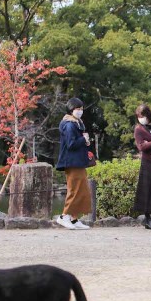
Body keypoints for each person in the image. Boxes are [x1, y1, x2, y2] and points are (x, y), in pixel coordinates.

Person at [55, 97, 92, 230]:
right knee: (75, 190)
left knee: (81, 190)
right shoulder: (69, 124)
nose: (80, 111)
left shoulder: (77, 123)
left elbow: (77, 142)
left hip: (78, 161)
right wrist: (83, 140)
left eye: (81, 109)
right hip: (72, 162)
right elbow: (71, 144)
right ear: (71, 109)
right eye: (78, 109)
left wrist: (85, 141)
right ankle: (64, 216)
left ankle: (74, 219)